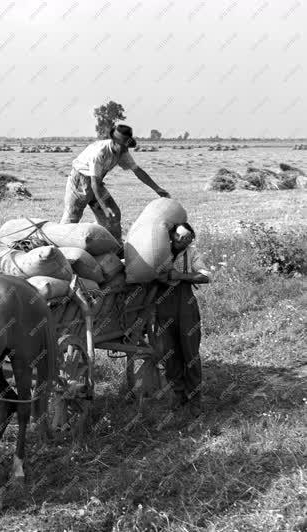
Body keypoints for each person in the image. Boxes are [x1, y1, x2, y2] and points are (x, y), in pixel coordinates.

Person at [60, 124, 170, 245]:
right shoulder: (100, 153)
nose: (126, 150)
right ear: (114, 142)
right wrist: (103, 206)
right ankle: (58, 246)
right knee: (72, 218)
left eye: (127, 146)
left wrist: (157, 189)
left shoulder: (122, 152)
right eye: (123, 146)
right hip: (80, 181)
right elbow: (94, 184)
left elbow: (138, 171)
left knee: (113, 215)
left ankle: (115, 246)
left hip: (96, 181)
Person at [155, 222, 211, 417]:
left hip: (185, 305)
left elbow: (205, 276)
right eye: (179, 237)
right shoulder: (159, 251)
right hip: (163, 306)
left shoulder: (191, 253)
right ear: (171, 236)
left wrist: (180, 275)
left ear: (191, 239)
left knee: (190, 352)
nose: (182, 241)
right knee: (168, 353)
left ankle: (195, 398)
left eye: (186, 238)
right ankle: (179, 395)